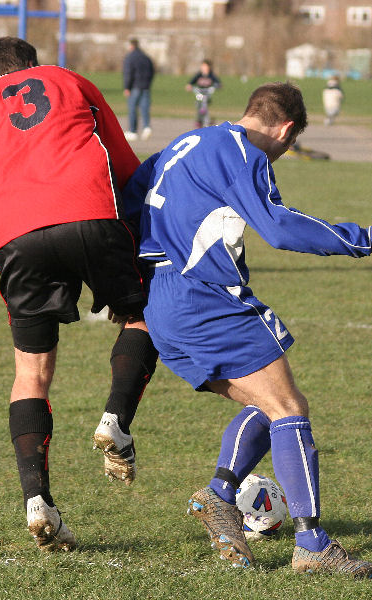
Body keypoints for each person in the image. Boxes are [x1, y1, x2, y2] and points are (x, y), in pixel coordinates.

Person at [125, 81, 372, 576]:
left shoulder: (183, 144)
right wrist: (363, 240)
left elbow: (128, 210)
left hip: (158, 303)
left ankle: (218, 497)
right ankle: (313, 544)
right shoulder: (242, 151)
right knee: (288, 408)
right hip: (203, 298)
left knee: (268, 404)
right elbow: (278, 227)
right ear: (285, 129)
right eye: (290, 144)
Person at [0, 37, 158, 552]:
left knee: (28, 372)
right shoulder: (70, 79)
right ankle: (115, 420)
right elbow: (126, 165)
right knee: (144, 316)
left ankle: (38, 502)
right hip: (90, 210)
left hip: (15, 234)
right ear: (31, 67)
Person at [123, 38, 155, 142]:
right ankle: (146, 127)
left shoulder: (130, 57)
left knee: (132, 108)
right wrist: (148, 83)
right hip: (145, 86)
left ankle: (133, 131)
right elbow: (152, 71)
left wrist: (127, 87)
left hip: (134, 87)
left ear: (131, 46)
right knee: (144, 108)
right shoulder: (146, 57)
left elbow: (128, 73)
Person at [185, 59, 221, 127]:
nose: (204, 68)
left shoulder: (211, 75)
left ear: (209, 67)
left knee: (205, 105)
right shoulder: (199, 75)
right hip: (199, 93)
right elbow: (191, 82)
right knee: (199, 104)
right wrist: (189, 86)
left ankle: (208, 119)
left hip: (207, 93)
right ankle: (199, 120)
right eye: (203, 66)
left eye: (205, 66)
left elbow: (218, 83)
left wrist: (217, 85)